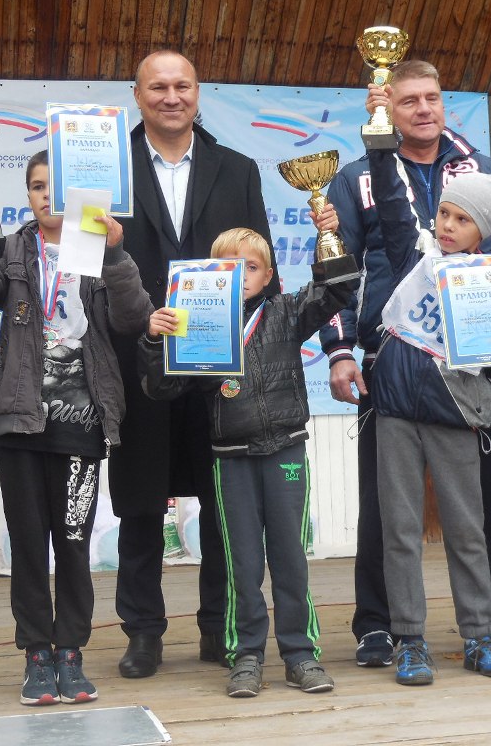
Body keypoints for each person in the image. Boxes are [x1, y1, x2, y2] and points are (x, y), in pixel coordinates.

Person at [322, 60, 491, 666]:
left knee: (474, 512)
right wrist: (340, 349)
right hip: (390, 370)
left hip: (466, 375)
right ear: (389, 108)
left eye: (433, 98)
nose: (424, 109)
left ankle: (489, 625)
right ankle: (385, 628)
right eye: (409, 100)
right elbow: (339, 268)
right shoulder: (363, 180)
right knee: (388, 515)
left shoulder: (482, 171)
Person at [0, 153, 153, 706]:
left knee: (74, 543)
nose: (45, 196)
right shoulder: (9, 249)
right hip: (19, 420)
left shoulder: (97, 249)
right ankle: (37, 653)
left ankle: (71, 652)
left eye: (54, 187)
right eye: (37, 187)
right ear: (28, 195)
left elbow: (133, 319)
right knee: (30, 543)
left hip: (83, 423)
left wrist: (116, 253)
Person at [108, 50, 279, 679]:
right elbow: (80, 263)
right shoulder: (106, 169)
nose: (171, 96)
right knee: (139, 502)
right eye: (158, 86)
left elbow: (261, 267)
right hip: (137, 358)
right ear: (137, 95)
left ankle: (219, 626)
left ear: (198, 93)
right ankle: (142, 633)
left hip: (219, 365)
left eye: (182, 85)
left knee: (224, 503)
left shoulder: (238, 169)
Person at [138, 223, 356, 697]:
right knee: (242, 563)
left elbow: (340, 290)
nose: (241, 275)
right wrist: (155, 340)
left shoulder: (287, 312)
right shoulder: (196, 322)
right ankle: (246, 656)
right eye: (230, 267)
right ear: (212, 274)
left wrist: (329, 238)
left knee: (290, 558)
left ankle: (300, 654)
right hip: (230, 457)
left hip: (285, 449)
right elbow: (162, 388)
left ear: (269, 276)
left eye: (251, 267)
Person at [364, 138, 491, 685]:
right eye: (444, 214)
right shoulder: (413, 256)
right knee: (400, 530)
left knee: (467, 530)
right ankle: (410, 640)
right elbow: (392, 204)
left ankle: (479, 637)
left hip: (457, 414)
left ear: (483, 229)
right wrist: (380, 145)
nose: (449, 226)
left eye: (463, 219)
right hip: (396, 410)